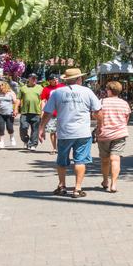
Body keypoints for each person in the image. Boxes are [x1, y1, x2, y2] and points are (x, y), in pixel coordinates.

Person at [38, 68, 101, 198]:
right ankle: (77, 189)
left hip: (64, 133)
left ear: (66, 79)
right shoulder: (87, 91)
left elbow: (47, 112)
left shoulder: (57, 93)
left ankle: (62, 186)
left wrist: (41, 128)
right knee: (80, 161)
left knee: (62, 161)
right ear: (79, 79)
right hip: (83, 133)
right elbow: (97, 111)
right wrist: (101, 125)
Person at [95, 80, 131, 193]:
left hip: (104, 134)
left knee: (105, 160)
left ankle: (105, 180)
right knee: (115, 159)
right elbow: (126, 119)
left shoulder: (101, 102)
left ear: (109, 91)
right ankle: (114, 184)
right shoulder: (124, 103)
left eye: (107, 89)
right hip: (120, 134)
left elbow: (96, 115)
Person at [16, 73, 44, 150]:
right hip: (25, 112)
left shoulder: (40, 88)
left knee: (35, 129)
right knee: (23, 127)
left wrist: (43, 111)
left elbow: (43, 100)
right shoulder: (23, 88)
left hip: (36, 112)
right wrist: (15, 109)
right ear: (29, 79)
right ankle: (25, 140)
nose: (35, 80)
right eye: (33, 78)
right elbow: (18, 99)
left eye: (36, 78)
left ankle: (33, 144)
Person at [40, 74, 64, 154]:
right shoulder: (46, 89)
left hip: (63, 113)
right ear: (49, 81)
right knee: (52, 131)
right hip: (52, 114)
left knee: (62, 132)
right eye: (54, 80)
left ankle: (62, 148)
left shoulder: (63, 86)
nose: (56, 81)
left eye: (57, 79)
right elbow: (43, 101)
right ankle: (54, 148)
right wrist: (42, 112)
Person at [0, 81, 18, 148]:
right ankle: (1, 142)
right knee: (1, 127)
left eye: (1, 85)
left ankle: (12, 137)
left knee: (9, 128)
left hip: (9, 113)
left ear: (5, 85)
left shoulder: (11, 93)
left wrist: (15, 110)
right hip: (0, 113)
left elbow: (16, 102)